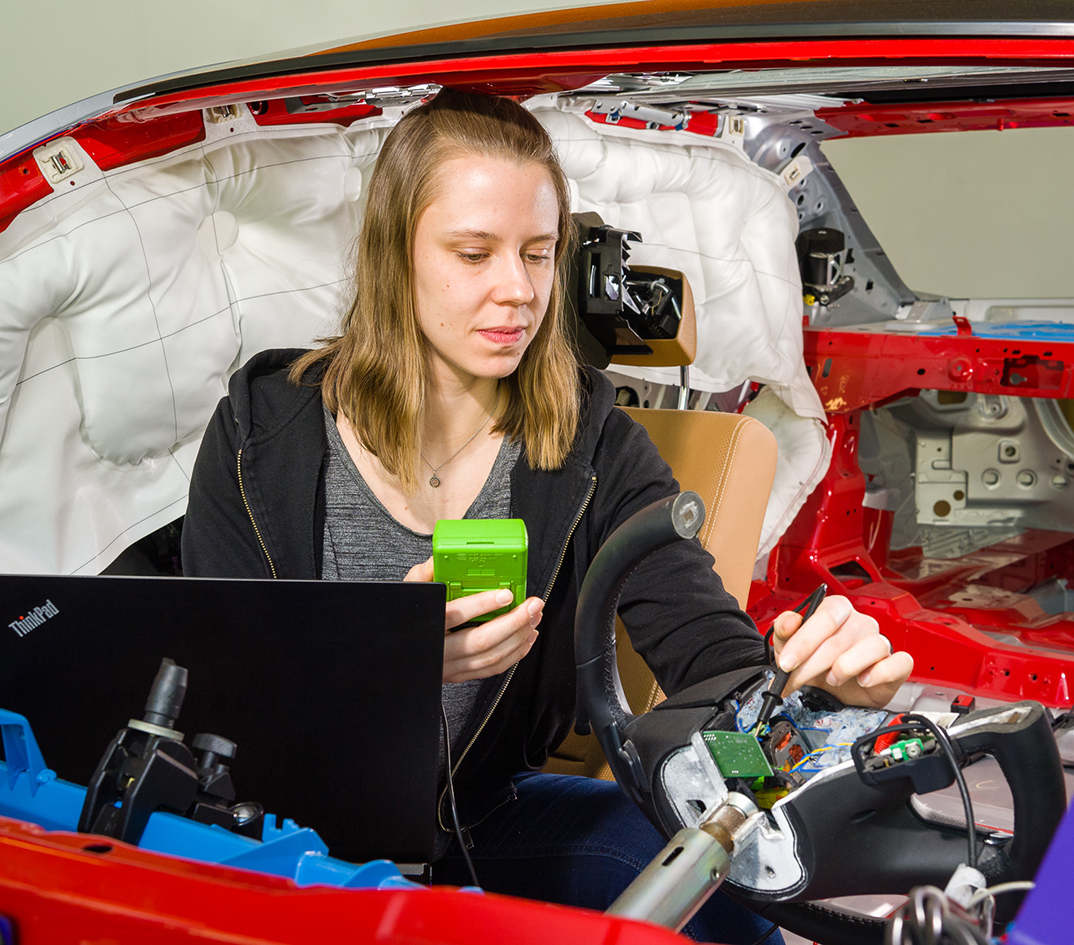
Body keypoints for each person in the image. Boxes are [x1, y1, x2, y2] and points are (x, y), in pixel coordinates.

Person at [181, 89, 914, 944]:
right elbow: (211, 685)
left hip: (477, 822)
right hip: (273, 838)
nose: (517, 292)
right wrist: (389, 660)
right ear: (394, 255)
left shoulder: (591, 440)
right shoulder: (259, 429)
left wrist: (815, 695)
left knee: (717, 885)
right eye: (472, 253)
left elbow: (708, 654)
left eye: (537, 254)